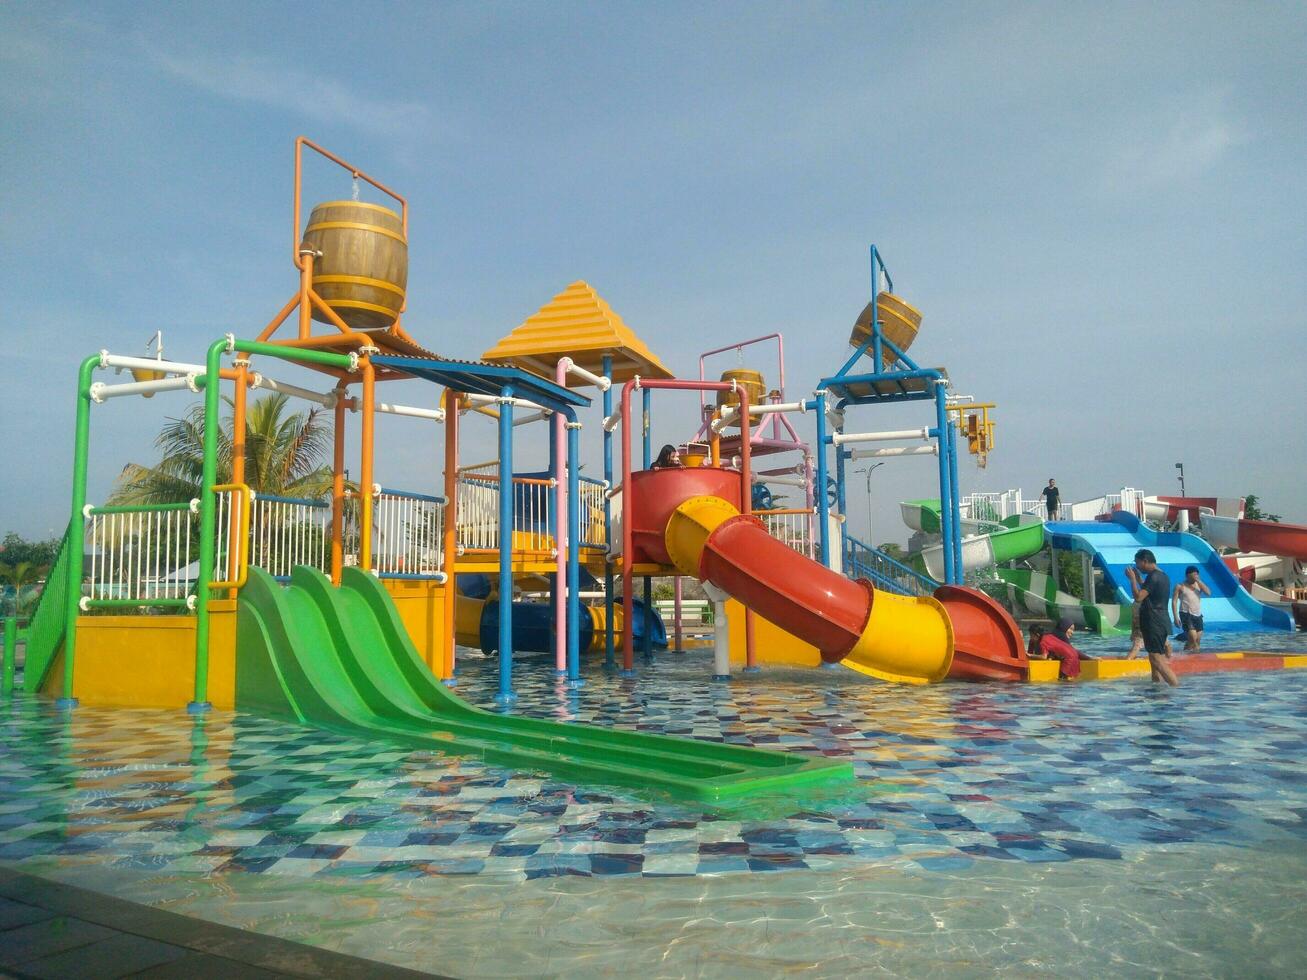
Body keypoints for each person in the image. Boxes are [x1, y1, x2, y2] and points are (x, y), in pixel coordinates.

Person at [1132, 549, 1178, 686]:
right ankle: (1156, 688)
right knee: (1154, 658)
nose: (1137, 566)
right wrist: (1140, 581)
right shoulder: (1162, 575)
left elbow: (1139, 597)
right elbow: (1151, 593)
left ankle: (1176, 687)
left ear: (1145, 561)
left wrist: (1133, 580)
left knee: (1156, 658)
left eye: (1138, 563)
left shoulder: (1153, 576)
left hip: (1154, 621)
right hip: (1161, 620)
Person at [1027, 618, 1093, 681]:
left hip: (1069, 658)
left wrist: (1030, 655)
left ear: (1037, 635)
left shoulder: (1043, 641)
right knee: (1066, 679)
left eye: (1031, 635)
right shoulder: (1042, 638)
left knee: (1062, 680)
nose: (1030, 637)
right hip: (1071, 656)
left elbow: (1043, 657)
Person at [1172, 566, 1210, 652]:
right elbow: (1174, 602)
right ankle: (1194, 656)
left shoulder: (1199, 585)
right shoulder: (1180, 586)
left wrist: (1198, 581)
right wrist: (1175, 617)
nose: (1196, 576)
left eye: (1197, 574)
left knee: (1196, 641)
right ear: (1187, 576)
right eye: (1194, 575)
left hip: (1198, 614)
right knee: (1193, 638)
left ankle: (1187, 654)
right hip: (1185, 613)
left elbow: (1208, 593)